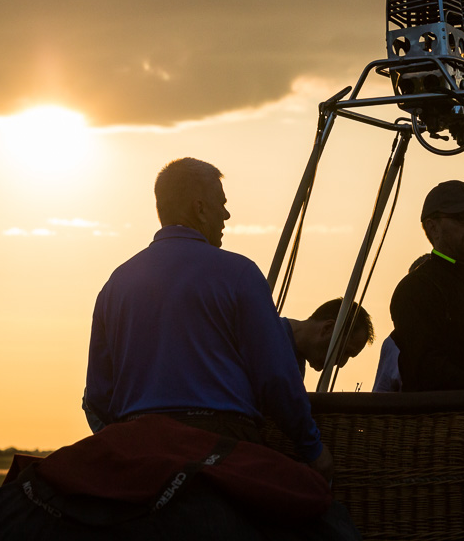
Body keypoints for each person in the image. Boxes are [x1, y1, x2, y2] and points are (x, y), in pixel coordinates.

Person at [84, 157, 333, 480]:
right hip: (223, 438)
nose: (227, 214)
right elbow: (276, 378)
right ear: (200, 209)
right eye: (222, 203)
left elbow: (97, 398)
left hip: (138, 443)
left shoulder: (115, 285)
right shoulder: (241, 274)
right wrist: (312, 447)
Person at [389, 180, 464, 391]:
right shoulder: (416, 289)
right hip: (444, 421)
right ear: (433, 227)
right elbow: (425, 367)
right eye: (463, 218)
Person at [286, 298, 375, 376]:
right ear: (327, 328)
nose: (341, 364)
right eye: (345, 352)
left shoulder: (295, 369)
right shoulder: (273, 341)